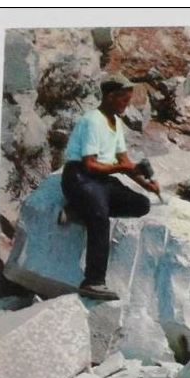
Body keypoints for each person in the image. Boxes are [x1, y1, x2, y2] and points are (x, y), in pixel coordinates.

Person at [60, 72, 161, 301]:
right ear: (110, 96)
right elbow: (90, 164)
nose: (126, 104)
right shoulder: (92, 120)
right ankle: (93, 282)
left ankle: (78, 209)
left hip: (100, 179)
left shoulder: (115, 122)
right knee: (100, 217)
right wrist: (121, 170)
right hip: (79, 178)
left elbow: (125, 162)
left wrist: (147, 185)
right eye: (124, 99)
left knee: (141, 205)